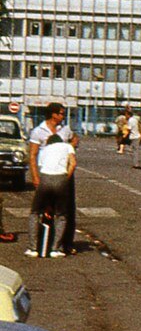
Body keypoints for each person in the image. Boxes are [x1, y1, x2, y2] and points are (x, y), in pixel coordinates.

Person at [27, 102, 78, 255]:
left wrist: (70, 149)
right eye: (61, 113)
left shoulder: (65, 129)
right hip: (46, 173)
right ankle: (43, 243)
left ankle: (65, 244)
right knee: (43, 209)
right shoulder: (38, 131)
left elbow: (75, 139)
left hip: (63, 172)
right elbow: (33, 155)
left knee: (66, 209)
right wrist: (35, 177)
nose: (63, 116)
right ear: (53, 114)